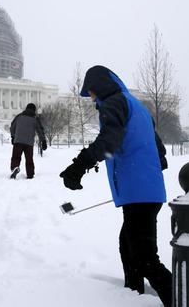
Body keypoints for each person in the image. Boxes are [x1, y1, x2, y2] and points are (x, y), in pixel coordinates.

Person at [59, 65, 172, 306]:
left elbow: (109, 142)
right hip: (145, 189)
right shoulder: (137, 107)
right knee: (129, 248)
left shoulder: (113, 103)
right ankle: (133, 296)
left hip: (138, 191)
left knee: (144, 257)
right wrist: (145, 173)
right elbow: (160, 152)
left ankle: (181, 299)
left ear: (99, 87)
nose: (91, 97)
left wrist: (78, 166)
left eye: (90, 92)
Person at [9, 103, 47, 179]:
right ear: (34, 110)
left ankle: (15, 167)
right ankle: (30, 174)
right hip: (29, 143)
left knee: (16, 157)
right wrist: (43, 141)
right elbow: (40, 130)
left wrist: (13, 136)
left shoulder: (19, 116)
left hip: (18, 141)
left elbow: (13, 126)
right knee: (29, 159)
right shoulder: (35, 118)